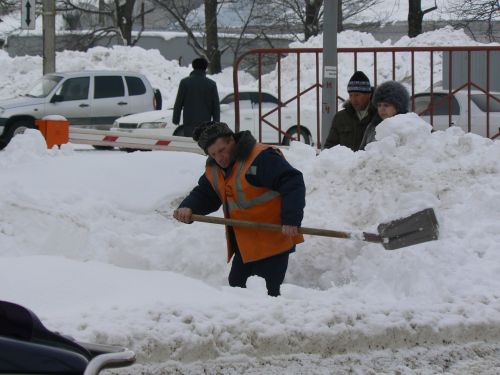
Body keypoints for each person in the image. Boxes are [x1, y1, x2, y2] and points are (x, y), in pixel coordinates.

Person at [173, 122, 306, 297]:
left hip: (272, 241)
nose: (219, 158)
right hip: (246, 244)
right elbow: (205, 193)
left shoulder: (260, 158)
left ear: (231, 141)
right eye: (213, 154)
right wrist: (188, 206)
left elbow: (292, 181)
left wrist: (291, 219)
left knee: (265, 296)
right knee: (236, 288)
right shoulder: (215, 168)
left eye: (221, 150)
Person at [324, 71, 376, 151]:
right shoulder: (340, 117)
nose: (354, 99)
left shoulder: (378, 115)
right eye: (351, 95)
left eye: (357, 95)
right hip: (345, 163)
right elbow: (330, 147)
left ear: (368, 94)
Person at [172, 57, 220, 137]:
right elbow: (216, 106)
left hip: (189, 123)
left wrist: (176, 120)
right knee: (203, 145)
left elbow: (178, 103)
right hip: (205, 124)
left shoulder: (185, 82)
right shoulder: (211, 84)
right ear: (205, 68)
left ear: (193, 67)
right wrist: (216, 123)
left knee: (189, 145)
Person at [359, 80, 410, 150]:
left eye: (386, 105)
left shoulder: (409, 128)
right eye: (379, 105)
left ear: (398, 106)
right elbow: (361, 153)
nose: (382, 109)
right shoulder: (373, 127)